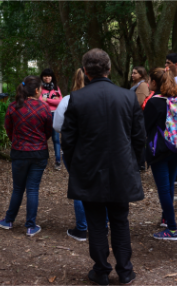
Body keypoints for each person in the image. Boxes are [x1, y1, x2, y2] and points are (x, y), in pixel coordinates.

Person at [62, 48, 145, 285]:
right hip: (121, 169)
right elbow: (139, 138)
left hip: (90, 169)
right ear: (108, 69)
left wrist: (75, 165)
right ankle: (125, 270)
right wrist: (135, 164)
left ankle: (101, 270)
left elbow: (68, 141)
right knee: (120, 220)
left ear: (86, 72)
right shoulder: (128, 97)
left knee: (96, 222)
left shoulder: (77, 98)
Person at [0, 76, 53, 237]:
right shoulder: (44, 108)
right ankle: (30, 225)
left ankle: (8, 220)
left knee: (18, 188)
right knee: (33, 189)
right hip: (39, 153)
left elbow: (9, 129)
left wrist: (18, 141)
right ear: (36, 90)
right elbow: (48, 131)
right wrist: (39, 141)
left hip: (19, 152)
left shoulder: (13, 107)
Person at [143, 67, 177, 241]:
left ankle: (172, 229)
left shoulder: (154, 102)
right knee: (169, 185)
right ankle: (165, 217)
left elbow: (145, 126)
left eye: (149, 80)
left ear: (154, 82)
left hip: (159, 149)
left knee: (163, 188)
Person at [54, 68, 90, 241]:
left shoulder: (67, 100)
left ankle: (82, 228)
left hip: (75, 150)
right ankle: (103, 225)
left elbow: (57, 125)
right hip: (96, 149)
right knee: (101, 184)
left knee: (79, 187)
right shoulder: (99, 99)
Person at [40, 68, 63, 171]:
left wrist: (47, 100)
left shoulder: (56, 88)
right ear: (42, 77)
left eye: (49, 76)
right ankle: (43, 161)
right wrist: (53, 100)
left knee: (56, 139)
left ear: (52, 77)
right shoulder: (39, 88)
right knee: (43, 139)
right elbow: (40, 101)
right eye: (45, 76)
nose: (47, 78)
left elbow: (60, 101)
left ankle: (58, 161)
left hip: (55, 115)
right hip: (44, 115)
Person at [130, 66, 150, 172]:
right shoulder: (135, 85)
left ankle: (141, 163)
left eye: (135, 73)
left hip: (139, 116)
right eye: (132, 73)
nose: (132, 75)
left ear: (141, 74)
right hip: (136, 115)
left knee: (139, 139)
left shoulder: (142, 85)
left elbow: (139, 101)